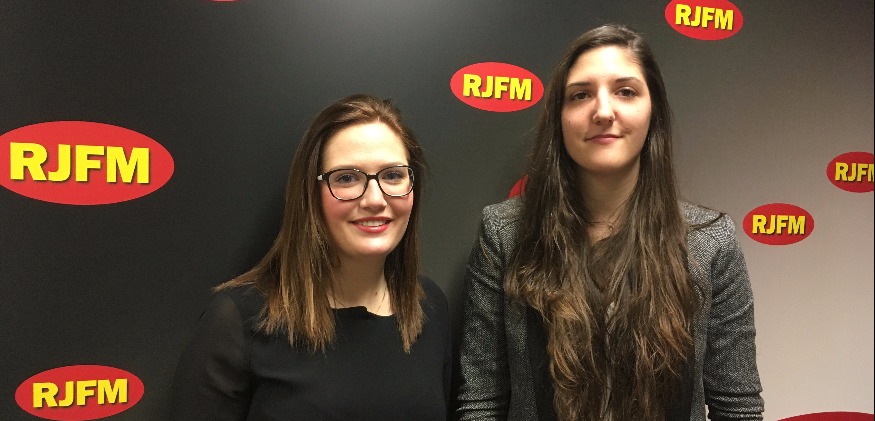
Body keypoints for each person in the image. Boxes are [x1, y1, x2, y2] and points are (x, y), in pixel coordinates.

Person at [455, 24, 764, 421]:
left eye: (626, 91)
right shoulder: (504, 233)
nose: (603, 111)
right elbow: (482, 402)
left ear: (653, 111)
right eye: (581, 95)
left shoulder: (710, 242)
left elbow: (737, 408)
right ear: (560, 117)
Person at [169, 94, 451, 421]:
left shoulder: (429, 306)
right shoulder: (239, 321)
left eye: (392, 175)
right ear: (310, 195)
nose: (375, 199)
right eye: (347, 178)